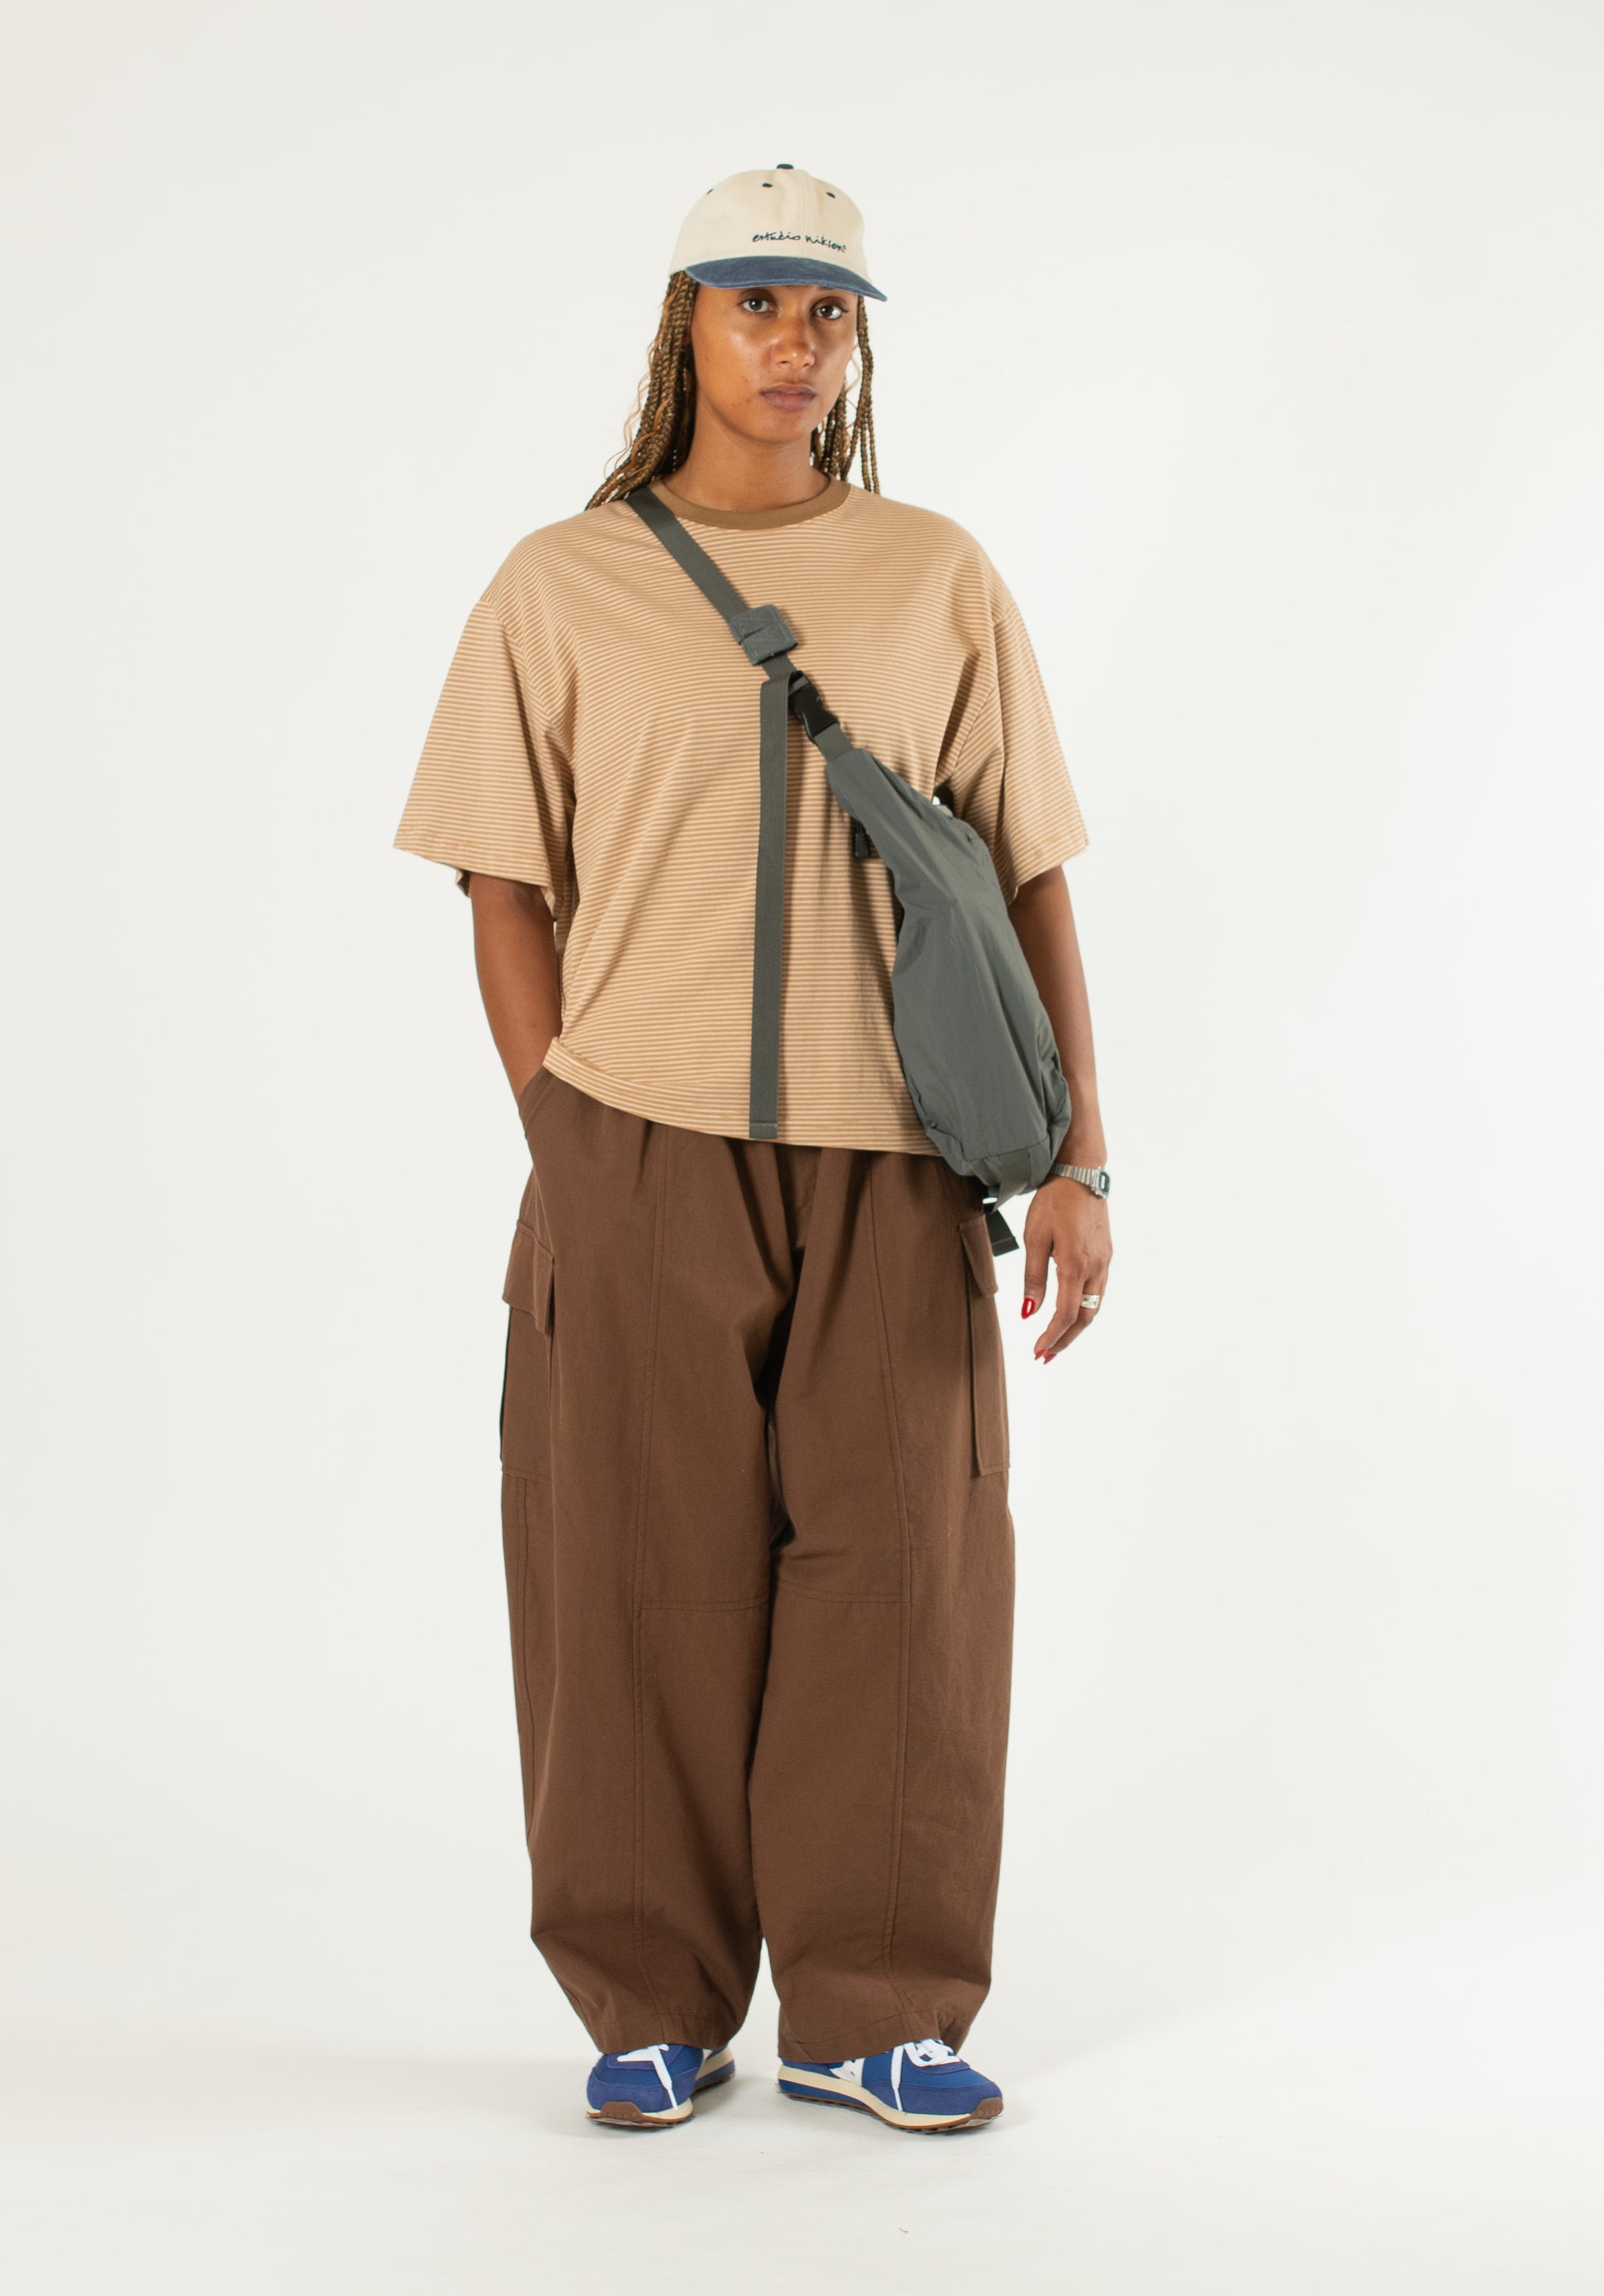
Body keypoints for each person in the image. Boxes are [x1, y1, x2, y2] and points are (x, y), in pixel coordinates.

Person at [394, 164, 1112, 2135]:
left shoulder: (939, 574)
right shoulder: (560, 581)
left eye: (827, 312)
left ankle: (871, 2004)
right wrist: (563, 1126)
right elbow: (500, 881)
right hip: (635, 1150)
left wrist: (1079, 1158)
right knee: (630, 1571)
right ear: (684, 322)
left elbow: (1023, 876)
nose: (794, 345)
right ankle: (648, 1996)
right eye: (755, 304)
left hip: (898, 1162)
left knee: (909, 1574)